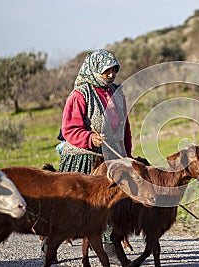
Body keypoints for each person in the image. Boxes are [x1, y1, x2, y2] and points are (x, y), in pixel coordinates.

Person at [44, 49, 132, 264]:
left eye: (113, 70)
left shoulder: (117, 93)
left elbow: (125, 127)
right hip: (82, 159)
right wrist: (91, 138)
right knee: (73, 208)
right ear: (94, 70)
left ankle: (111, 246)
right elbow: (69, 130)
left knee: (110, 205)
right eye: (106, 71)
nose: (111, 75)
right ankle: (50, 244)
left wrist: (126, 155)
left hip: (110, 159)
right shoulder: (80, 95)